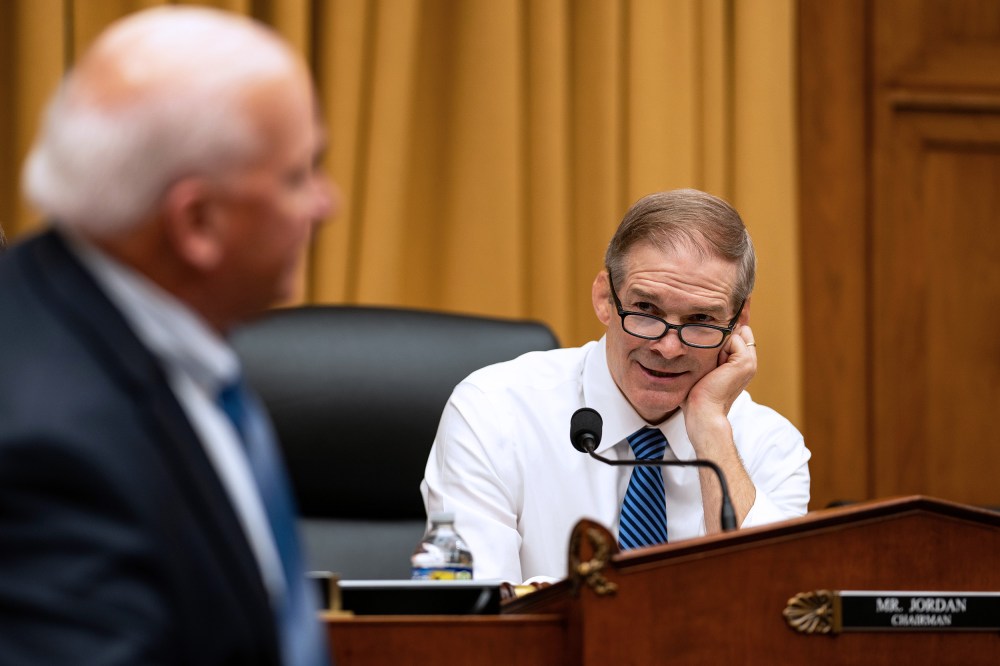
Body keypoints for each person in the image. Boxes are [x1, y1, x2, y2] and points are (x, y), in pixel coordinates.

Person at [0, 7, 337, 665]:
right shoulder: (47, 439)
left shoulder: (151, 337)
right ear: (197, 224)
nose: (326, 204)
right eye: (298, 175)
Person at [422, 189, 810, 583]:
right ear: (605, 298)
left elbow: (767, 604)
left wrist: (710, 429)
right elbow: (478, 622)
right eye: (645, 310)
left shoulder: (769, 446)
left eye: (700, 319)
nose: (669, 347)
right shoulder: (494, 412)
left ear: (739, 320)